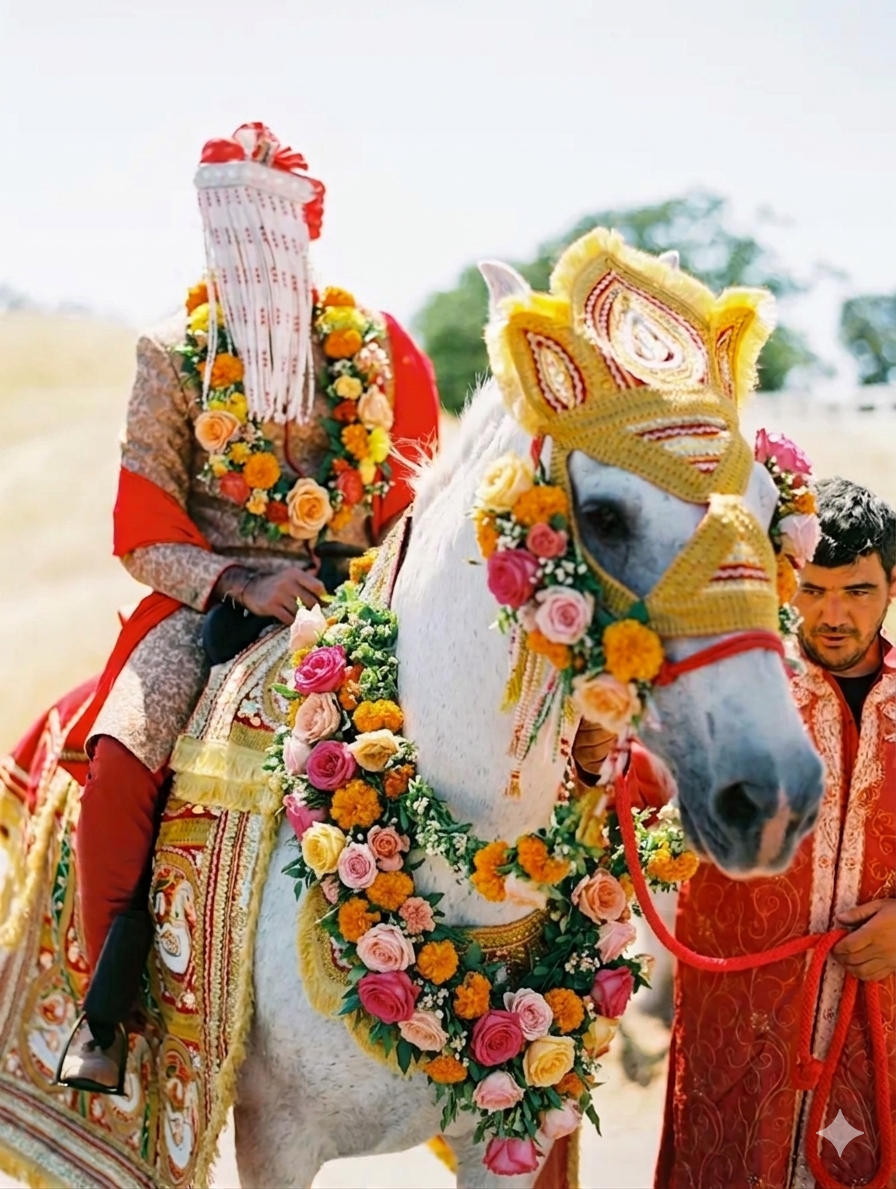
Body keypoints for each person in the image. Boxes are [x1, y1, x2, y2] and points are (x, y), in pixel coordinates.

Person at [57, 122, 440, 1091]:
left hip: (358, 596)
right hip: (211, 601)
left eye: (264, 229)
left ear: (304, 229)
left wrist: (368, 582)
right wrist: (236, 581)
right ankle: (109, 1014)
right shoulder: (172, 354)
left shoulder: (379, 347)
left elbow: (414, 500)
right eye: (224, 230)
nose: (247, 251)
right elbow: (144, 532)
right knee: (119, 752)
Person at [655, 477, 896, 1189]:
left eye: (857, 590)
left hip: (874, 1030)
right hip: (739, 1032)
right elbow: (636, 804)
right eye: (815, 589)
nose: (833, 613)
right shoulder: (727, 693)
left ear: (891, 585)